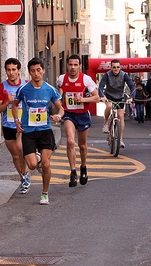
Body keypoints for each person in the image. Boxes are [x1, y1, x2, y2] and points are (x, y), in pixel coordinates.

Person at [12, 57, 64, 205]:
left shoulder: (50, 89)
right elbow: (14, 105)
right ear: (29, 73)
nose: (36, 74)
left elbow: (61, 108)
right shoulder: (23, 89)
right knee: (32, 165)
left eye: (38, 70)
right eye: (33, 71)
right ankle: (38, 160)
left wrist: (58, 116)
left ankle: (44, 193)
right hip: (29, 131)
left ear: (43, 71)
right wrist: (16, 121)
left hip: (45, 130)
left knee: (46, 165)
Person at [57, 54, 99, 187]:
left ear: (80, 66)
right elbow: (59, 88)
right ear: (67, 65)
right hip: (69, 113)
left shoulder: (86, 80)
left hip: (82, 115)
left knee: (82, 145)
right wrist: (61, 96)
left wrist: (83, 100)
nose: (73, 67)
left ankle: (84, 167)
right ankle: (73, 171)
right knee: (70, 141)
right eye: (70, 64)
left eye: (75, 65)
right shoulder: (61, 78)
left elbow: (97, 98)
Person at [0, 58, 31, 194]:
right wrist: (7, 102)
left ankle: (28, 169)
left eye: (14, 69)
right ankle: (23, 175)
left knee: (22, 150)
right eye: (8, 70)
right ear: (5, 71)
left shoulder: (27, 85)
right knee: (16, 156)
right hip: (8, 125)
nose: (11, 73)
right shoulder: (2, 88)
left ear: (19, 70)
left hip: (24, 124)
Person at [98, 59, 135, 148]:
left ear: (120, 67)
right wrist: (102, 96)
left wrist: (131, 97)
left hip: (120, 97)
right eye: (114, 67)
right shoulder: (107, 75)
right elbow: (101, 86)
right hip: (109, 96)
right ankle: (106, 123)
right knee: (109, 106)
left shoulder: (124, 75)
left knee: (121, 116)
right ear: (111, 67)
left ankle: (121, 139)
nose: (116, 69)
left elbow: (132, 86)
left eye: (118, 67)